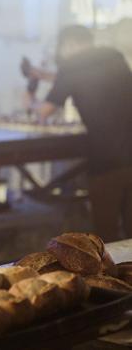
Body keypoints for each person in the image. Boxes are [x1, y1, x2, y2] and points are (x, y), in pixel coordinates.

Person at [33, 25, 132, 242]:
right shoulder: (114, 57)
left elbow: (44, 112)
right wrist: (46, 76)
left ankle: (112, 275)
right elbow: (89, 80)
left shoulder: (70, 68)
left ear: (70, 44)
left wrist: (30, 98)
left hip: (107, 160)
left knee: (107, 237)